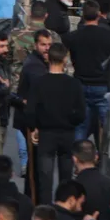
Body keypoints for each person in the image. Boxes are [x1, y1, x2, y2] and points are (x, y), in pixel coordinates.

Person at [25, 42, 86, 204]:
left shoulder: (39, 83)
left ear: (48, 58)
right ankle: (64, 207)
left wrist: (34, 127)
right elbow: (81, 113)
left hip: (46, 133)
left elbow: (30, 110)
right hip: (67, 133)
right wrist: (70, 121)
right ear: (64, 59)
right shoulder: (74, 84)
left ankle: (45, 212)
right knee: (66, 177)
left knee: (45, 178)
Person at [62, 2, 110, 143]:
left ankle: (79, 158)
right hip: (103, 85)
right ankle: (107, 159)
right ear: (99, 15)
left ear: (82, 15)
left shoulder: (72, 37)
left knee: (80, 126)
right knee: (108, 127)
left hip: (81, 84)